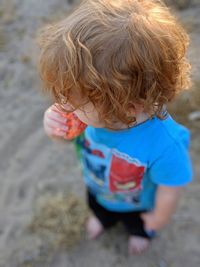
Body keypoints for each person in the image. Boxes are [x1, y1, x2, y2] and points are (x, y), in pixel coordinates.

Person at [39, 0, 192, 254]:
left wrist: (158, 218)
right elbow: (66, 138)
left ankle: (139, 233)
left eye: (75, 100)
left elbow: (170, 187)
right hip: (97, 187)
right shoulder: (88, 115)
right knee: (99, 209)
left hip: (138, 205)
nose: (63, 104)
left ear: (128, 107)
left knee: (137, 225)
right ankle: (102, 219)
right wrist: (53, 127)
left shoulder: (165, 143)